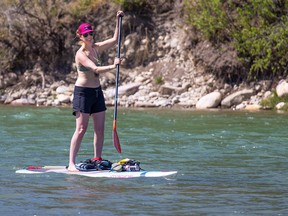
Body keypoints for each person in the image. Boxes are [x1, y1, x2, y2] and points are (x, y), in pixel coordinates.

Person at [67, 11, 124, 172]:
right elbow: (96, 69)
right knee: (81, 129)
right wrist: (114, 66)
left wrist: (117, 20)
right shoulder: (80, 54)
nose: (90, 36)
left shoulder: (95, 48)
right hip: (83, 94)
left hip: (97, 93)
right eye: (86, 35)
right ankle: (71, 163)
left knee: (99, 129)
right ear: (80, 36)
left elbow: (114, 40)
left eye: (91, 33)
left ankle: (97, 158)